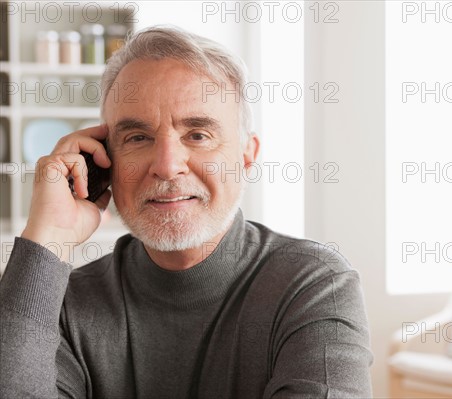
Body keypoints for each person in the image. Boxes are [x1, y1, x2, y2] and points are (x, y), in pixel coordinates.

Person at [0, 27, 373, 397]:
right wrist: (48, 238)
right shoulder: (62, 304)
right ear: (105, 159)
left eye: (198, 135)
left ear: (246, 156)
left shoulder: (314, 285)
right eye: (138, 138)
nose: (167, 165)